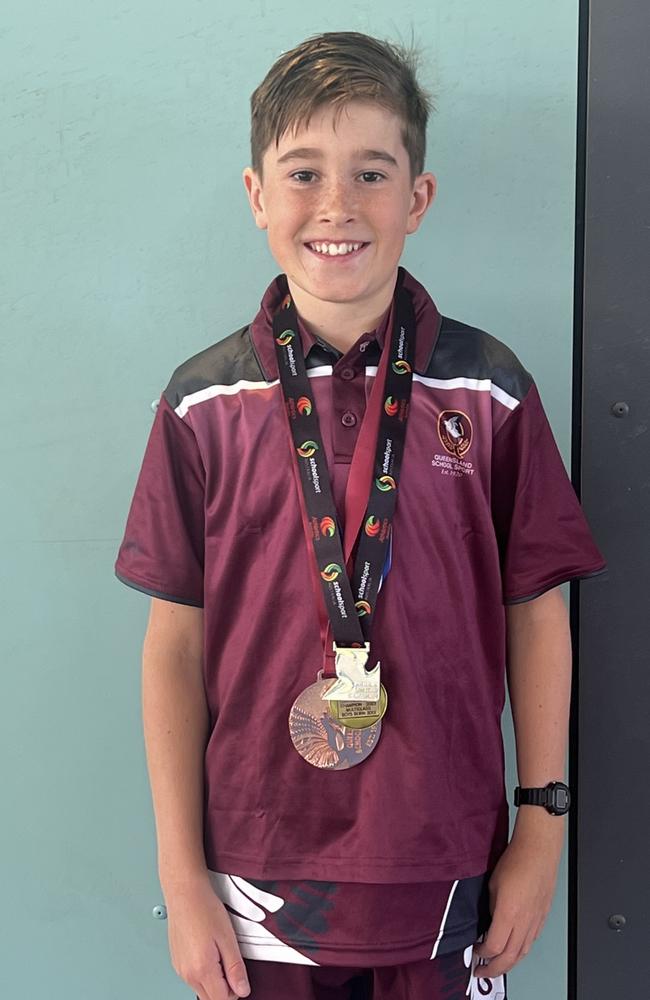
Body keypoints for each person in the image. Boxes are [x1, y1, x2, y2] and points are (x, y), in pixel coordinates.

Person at [114, 30, 607, 1000]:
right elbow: (172, 644)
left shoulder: (489, 389)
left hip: (446, 863)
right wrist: (180, 871)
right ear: (256, 196)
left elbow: (536, 614)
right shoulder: (200, 403)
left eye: (370, 173)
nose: (336, 205)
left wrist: (541, 825)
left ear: (415, 199)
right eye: (302, 172)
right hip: (252, 875)